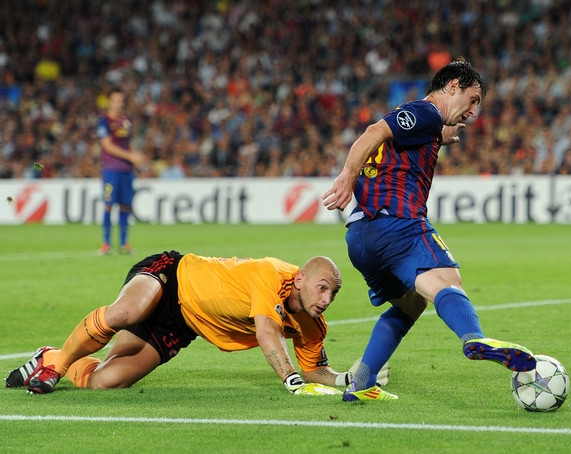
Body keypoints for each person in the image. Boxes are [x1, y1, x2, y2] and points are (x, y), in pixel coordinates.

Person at [322, 59, 536, 402]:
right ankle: (474, 338)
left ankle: (361, 383)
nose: (473, 112)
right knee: (448, 281)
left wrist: (439, 135)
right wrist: (347, 176)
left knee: (411, 305)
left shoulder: (427, 122)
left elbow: (403, 137)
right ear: (452, 86)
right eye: (472, 99)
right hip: (398, 223)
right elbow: (374, 131)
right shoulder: (427, 111)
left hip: (361, 237)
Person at [5, 252, 382, 396]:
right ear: (300, 280)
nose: (326, 299)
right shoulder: (272, 274)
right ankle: (56, 368)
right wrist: (290, 380)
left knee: (107, 380)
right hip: (173, 276)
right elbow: (267, 330)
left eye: (333, 293)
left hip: (183, 323)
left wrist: (347, 379)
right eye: (322, 288)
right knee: (126, 312)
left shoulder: (313, 326)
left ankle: (48, 355)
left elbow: (315, 369)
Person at [97, 87, 145, 255]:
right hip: (111, 170)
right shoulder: (104, 121)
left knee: (125, 205)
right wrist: (130, 156)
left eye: (121, 101)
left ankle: (124, 243)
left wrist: (136, 160)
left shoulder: (126, 121)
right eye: (115, 100)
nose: (118, 103)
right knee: (108, 205)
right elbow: (107, 145)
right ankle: (106, 243)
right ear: (109, 102)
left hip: (126, 170)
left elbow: (129, 143)